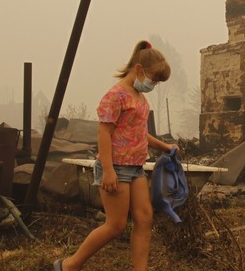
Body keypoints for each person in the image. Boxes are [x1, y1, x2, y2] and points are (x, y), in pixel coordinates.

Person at [55, 40, 177, 271]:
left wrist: (165, 147)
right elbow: (104, 133)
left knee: (145, 218)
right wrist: (108, 170)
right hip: (116, 167)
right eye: (154, 79)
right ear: (139, 70)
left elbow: (140, 132)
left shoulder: (140, 97)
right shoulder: (116, 96)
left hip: (136, 167)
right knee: (116, 225)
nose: (154, 85)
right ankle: (69, 265)